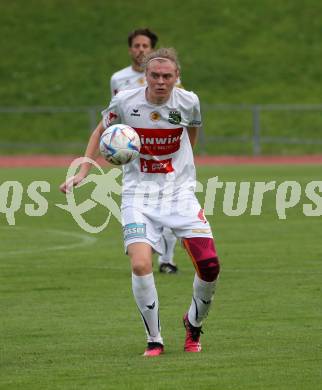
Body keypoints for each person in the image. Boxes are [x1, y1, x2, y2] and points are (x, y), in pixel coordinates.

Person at [60, 48, 220, 357]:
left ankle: (193, 323)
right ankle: (155, 339)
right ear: (145, 76)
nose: (161, 82)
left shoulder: (189, 101)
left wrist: (183, 165)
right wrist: (83, 170)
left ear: (177, 78)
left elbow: (192, 131)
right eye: (155, 76)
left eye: (167, 76)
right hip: (138, 195)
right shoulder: (125, 101)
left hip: (179, 194)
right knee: (140, 263)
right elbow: (100, 131)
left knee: (210, 266)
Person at [110, 28, 180, 275]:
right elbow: (115, 117)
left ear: (152, 51)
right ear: (130, 50)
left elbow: (177, 113)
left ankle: (167, 260)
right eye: (136, 46)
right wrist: (118, 145)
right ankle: (142, 248)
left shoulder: (167, 78)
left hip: (161, 152)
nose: (140, 50)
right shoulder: (118, 79)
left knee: (171, 206)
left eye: (145, 46)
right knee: (139, 204)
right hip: (134, 157)